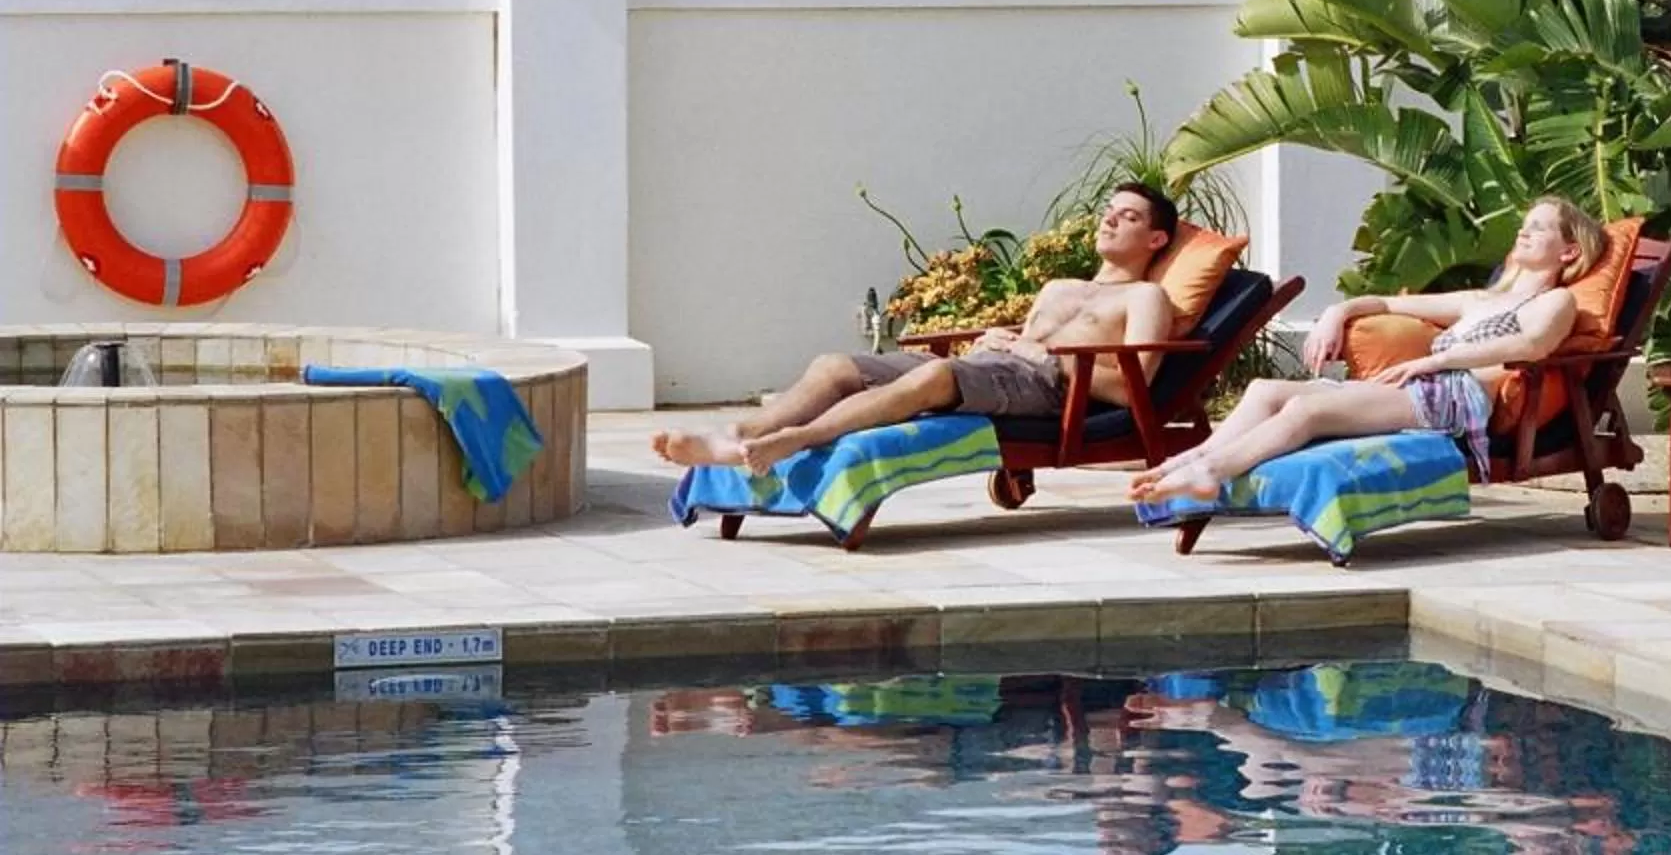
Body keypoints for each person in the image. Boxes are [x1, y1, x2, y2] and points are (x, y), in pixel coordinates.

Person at [653, 183, 1184, 475]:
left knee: (937, 378)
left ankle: (795, 440)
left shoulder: (1145, 297)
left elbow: (1130, 388)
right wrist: (1005, 340)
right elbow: (1010, 352)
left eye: (1129, 217)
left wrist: (1040, 351)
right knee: (834, 366)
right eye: (1108, 211)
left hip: (1047, 391)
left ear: (1157, 240)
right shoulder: (1059, 288)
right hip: (989, 368)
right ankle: (740, 437)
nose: (1109, 220)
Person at [1127, 196, 1603, 502]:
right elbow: (1386, 300)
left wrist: (1434, 360)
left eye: (1540, 227)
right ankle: (1184, 462)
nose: (1524, 231)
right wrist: (1338, 313)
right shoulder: (1479, 299)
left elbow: (1531, 343)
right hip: (1425, 383)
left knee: (1304, 411)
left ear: (1568, 252)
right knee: (1263, 389)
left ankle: (1212, 471)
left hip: (1460, 396)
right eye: (1526, 222)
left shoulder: (1555, 300)